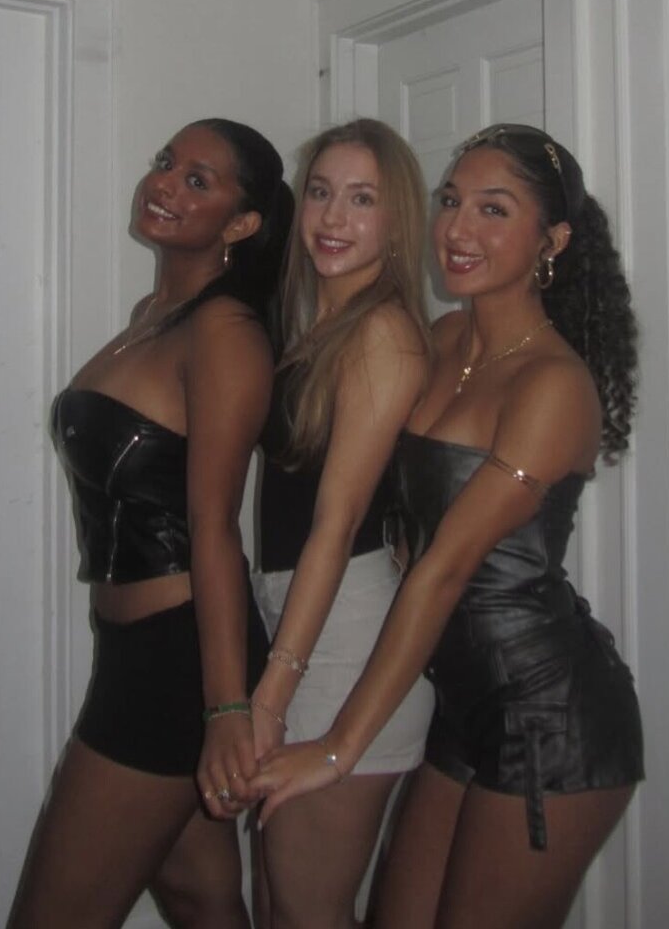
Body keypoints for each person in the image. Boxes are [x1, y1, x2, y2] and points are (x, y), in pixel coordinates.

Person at [251, 123, 644, 929]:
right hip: (458, 702)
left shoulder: (553, 384)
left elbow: (443, 573)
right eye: (451, 202)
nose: (459, 230)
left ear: (552, 241)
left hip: (548, 713)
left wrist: (337, 748)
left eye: (494, 210)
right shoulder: (442, 339)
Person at [8, 119, 293, 929]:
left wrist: (226, 709)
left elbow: (214, 526)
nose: (164, 183)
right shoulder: (154, 314)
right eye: (168, 163)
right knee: (200, 897)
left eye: (198, 180)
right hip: (135, 649)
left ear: (242, 223)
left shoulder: (225, 333)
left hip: (177, 663)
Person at [235, 118, 435, 929]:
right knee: (282, 903)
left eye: (361, 199)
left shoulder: (383, 335)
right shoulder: (318, 324)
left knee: (307, 911)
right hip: (305, 618)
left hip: (340, 640)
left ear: (399, 223)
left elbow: (336, 522)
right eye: (320, 192)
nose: (331, 217)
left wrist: (272, 693)